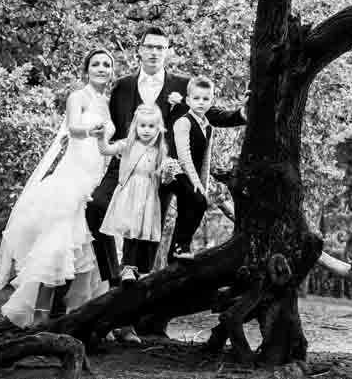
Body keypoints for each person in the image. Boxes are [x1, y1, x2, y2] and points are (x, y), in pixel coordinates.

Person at [85, 26, 246, 285]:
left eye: (160, 47)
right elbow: (113, 124)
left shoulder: (183, 85)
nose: (154, 52)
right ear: (139, 50)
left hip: (164, 167)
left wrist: (239, 115)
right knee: (95, 208)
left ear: (167, 51)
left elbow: (208, 112)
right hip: (126, 163)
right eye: (149, 46)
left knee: (150, 226)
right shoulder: (123, 86)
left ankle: (140, 288)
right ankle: (114, 276)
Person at [0, 49, 115, 328]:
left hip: (97, 178)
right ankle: (39, 314)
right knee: (58, 244)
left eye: (106, 65)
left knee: (90, 249)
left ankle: (80, 314)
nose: (101, 68)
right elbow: (73, 129)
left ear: (112, 71)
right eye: (96, 64)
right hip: (73, 178)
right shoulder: (78, 97)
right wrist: (92, 131)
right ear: (87, 70)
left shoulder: (108, 102)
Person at [96, 104, 167, 282]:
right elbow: (106, 150)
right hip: (130, 193)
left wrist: (168, 174)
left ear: (158, 129)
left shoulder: (160, 150)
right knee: (131, 231)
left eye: (151, 126)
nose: (146, 130)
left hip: (149, 195)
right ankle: (127, 267)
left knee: (145, 232)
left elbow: (160, 175)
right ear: (135, 127)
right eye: (142, 126)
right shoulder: (127, 144)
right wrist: (101, 138)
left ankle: (143, 269)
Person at [168, 76, 220, 260]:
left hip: (191, 174)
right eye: (196, 98)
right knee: (199, 202)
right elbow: (184, 156)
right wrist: (196, 183)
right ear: (188, 100)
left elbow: (204, 161)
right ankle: (181, 246)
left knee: (189, 207)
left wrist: (202, 184)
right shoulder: (184, 121)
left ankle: (174, 254)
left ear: (211, 101)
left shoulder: (207, 126)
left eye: (206, 99)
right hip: (174, 172)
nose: (201, 102)